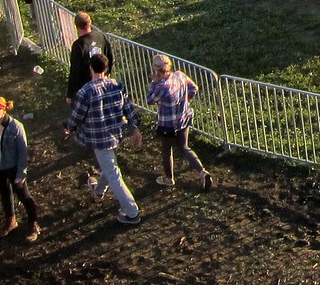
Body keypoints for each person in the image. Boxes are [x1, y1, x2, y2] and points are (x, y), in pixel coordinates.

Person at [63, 51, 144, 225]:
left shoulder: (86, 92)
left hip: (99, 139)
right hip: (116, 134)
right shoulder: (117, 85)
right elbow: (128, 108)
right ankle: (98, 191)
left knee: (114, 175)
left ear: (90, 68)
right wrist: (135, 128)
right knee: (110, 167)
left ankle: (132, 213)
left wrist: (68, 127)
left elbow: (77, 116)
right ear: (106, 68)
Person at [146, 54, 214, 190]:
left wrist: (153, 82)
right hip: (183, 119)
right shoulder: (180, 76)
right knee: (184, 147)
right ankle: (203, 172)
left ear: (156, 69)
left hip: (167, 124)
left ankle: (169, 178)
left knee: (166, 150)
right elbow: (194, 88)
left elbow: (149, 100)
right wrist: (187, 100)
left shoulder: (161, 86)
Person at [0, 95, 40, 241]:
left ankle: (33, 223)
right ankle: (11, 220)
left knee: (24, 195)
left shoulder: (15, 126)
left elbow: (22, 151)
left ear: (4, 109)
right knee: (5, 194)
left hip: (12, 167)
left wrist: (21, 173)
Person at [66, 12, 114, 105]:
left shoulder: (78, 45)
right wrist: (107, 73)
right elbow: (110, 57)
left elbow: (75, 70)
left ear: (76, 26)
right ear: (90, 22)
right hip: (103, 82)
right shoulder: (101, 36)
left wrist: (70, 94)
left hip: (87, 88)